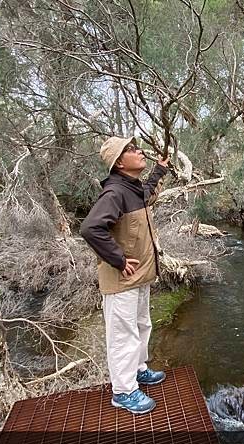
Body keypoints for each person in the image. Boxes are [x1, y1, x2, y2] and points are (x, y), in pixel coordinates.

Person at [80, 136, 169, 414]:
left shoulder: (133, 188)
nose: (139, 151)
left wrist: (159, 170)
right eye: (131, 150)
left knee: (142, 326)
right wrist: (118, 260)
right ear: (119, 162)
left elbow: (149, 193)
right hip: (122, 281)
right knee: (123, 336)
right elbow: (91, 228)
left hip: (140, 275)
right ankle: (124, 391)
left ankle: (138, 370)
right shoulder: (115, 193)